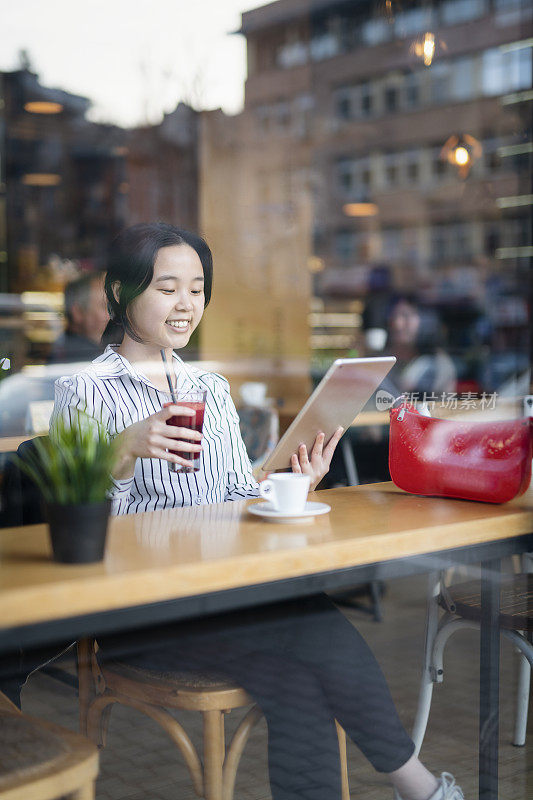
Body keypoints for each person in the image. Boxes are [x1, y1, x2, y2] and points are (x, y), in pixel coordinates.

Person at [51, 223, 464, 800]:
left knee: (296, 679)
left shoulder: (211, 388)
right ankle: (420, 787)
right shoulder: (83, 390)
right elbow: (73, 515)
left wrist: (291, 481)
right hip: (141, 609)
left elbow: (235, 498)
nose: (186, 304)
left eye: (196, 288)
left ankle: (417, 788)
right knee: (314, 623)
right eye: (167, 288)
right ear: (120, 292)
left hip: (223, 592)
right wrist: (123, 449)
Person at [47, 272, 109, 364]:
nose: (114, 314)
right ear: (77, 312)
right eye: (105, 306)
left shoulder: (63, 347)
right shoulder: (81, 357)